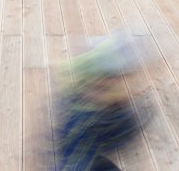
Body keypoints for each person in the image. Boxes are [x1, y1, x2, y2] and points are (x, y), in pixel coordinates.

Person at [52, 31, 153, 171]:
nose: (118, 87)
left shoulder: (92, 108)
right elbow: (117, 135)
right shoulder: (83, 121)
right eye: (110, 82)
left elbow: (115, 135)